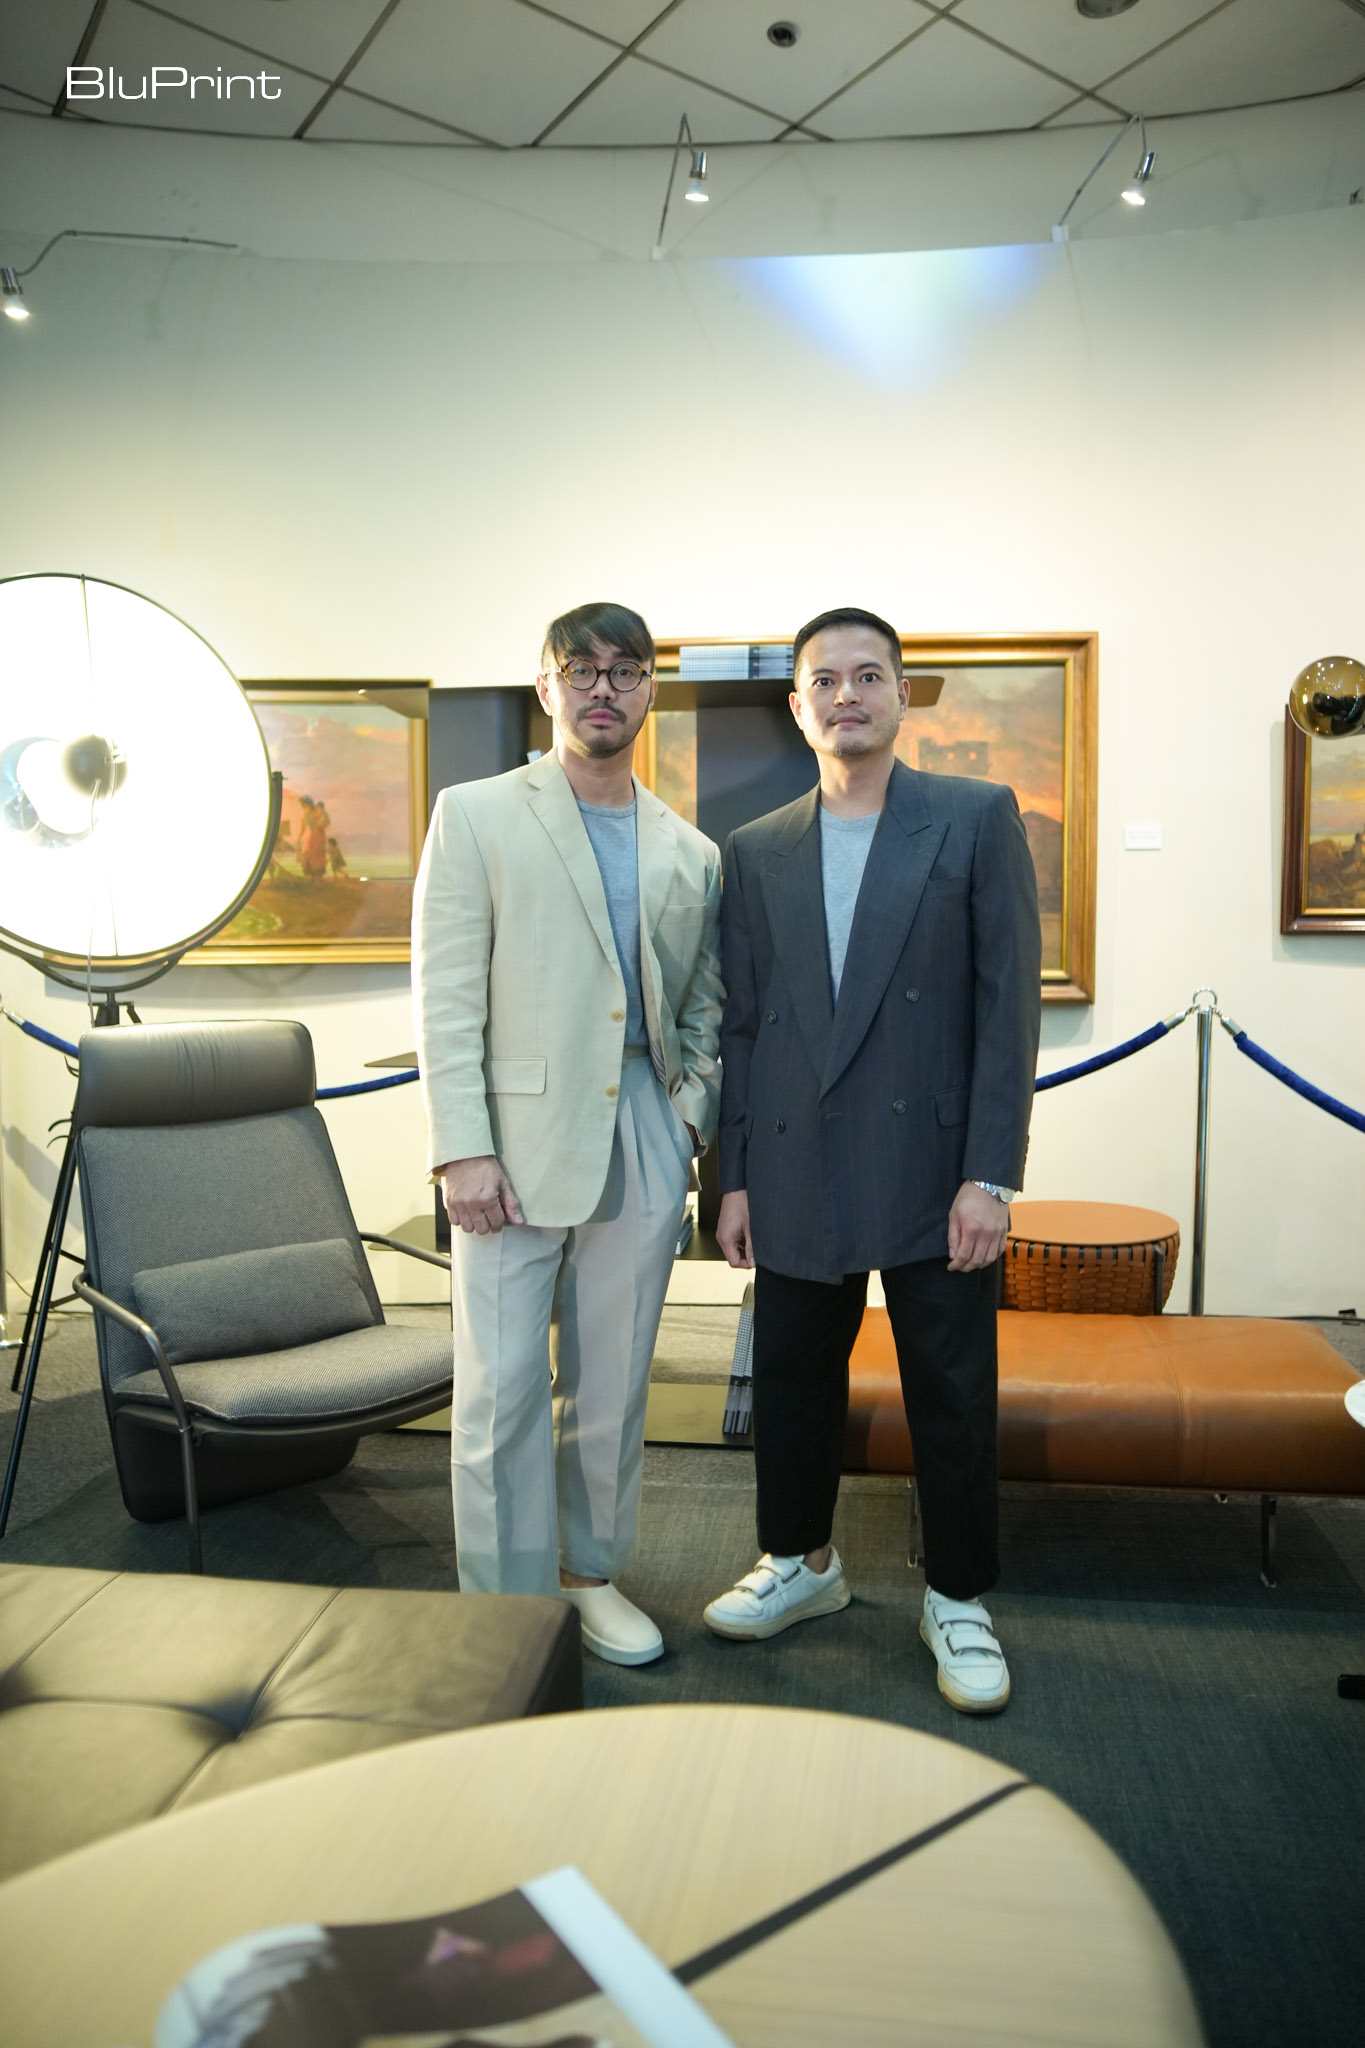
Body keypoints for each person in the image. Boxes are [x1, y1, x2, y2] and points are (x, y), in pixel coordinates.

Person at [703, 606, 1041, 1714]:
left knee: (952, 1389)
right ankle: (801, 1562)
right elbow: (743, 1025)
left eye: (867, 676)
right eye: (824, 680)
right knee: (793, 1380)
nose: (845, 695)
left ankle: (957, 1595)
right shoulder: (754, 848)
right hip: (793, 1162)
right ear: (797, 706)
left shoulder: (975, 817)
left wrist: (990, 1176)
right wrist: (731, 1178)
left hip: (938, 1166)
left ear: (901, 694)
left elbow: (1007, 1011)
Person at [412, 601, 722, 1665]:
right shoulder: (476, 815)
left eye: (623, 670)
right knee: (500, 1390)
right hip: (507, 1142)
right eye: (579, 669)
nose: (602, 688)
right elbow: (447, 995)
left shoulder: (690, 849)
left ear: (648, 690)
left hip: (641, 1130)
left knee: (615, 1382)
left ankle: (589, 1575)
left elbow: (705, 1004)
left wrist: (685, 1117)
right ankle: (504, 1609)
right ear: (546, 686)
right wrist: (461, 1146)